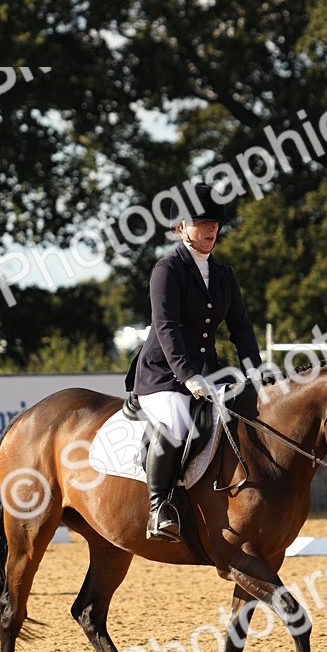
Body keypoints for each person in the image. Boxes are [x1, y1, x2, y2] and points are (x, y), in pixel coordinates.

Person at [125, 181, 263, 541]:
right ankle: (159, 508)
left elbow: (241, 329)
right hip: (163, 375)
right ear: (181, 226)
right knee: (175, 420)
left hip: (210, 372)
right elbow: (166, 327)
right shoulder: (167, 270)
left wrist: (256, 371)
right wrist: (186, 375)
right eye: (202, 223)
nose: (211, 229)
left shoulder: (223, 275)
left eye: (215, 223)